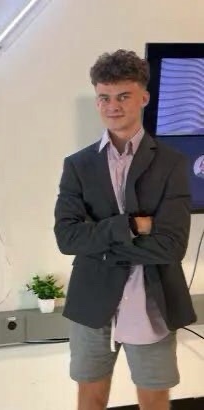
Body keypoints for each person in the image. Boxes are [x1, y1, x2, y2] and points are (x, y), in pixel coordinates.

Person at [54, 49, 197, 410]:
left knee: (154, 399)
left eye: (123, 96)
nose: (112, 106)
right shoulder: (78, 165)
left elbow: (172, 246)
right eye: (104, 97)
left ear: (143, 97)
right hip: (92, 301)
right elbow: (67, 238)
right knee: (90, 399)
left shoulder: (172, 164)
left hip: (152, 298)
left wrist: (99, 243)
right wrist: (131, 226)